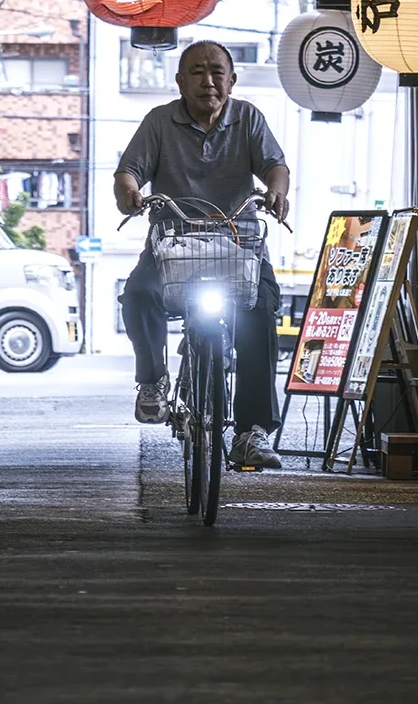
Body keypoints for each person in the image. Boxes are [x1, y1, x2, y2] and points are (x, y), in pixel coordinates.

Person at [115, 41, 289, 472]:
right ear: (179, 81)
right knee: (138, 293)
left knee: (262, 310)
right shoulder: (159, 121)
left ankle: (252, 432)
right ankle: (153, 380)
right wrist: (130, 193)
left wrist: (276, 190)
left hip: (239, 245)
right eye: (197, 72)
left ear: (232, 79)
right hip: (174, 246)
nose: (208, 81)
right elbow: (129, 171)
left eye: (216, 71)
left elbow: (274, 166)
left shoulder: (247, 117)